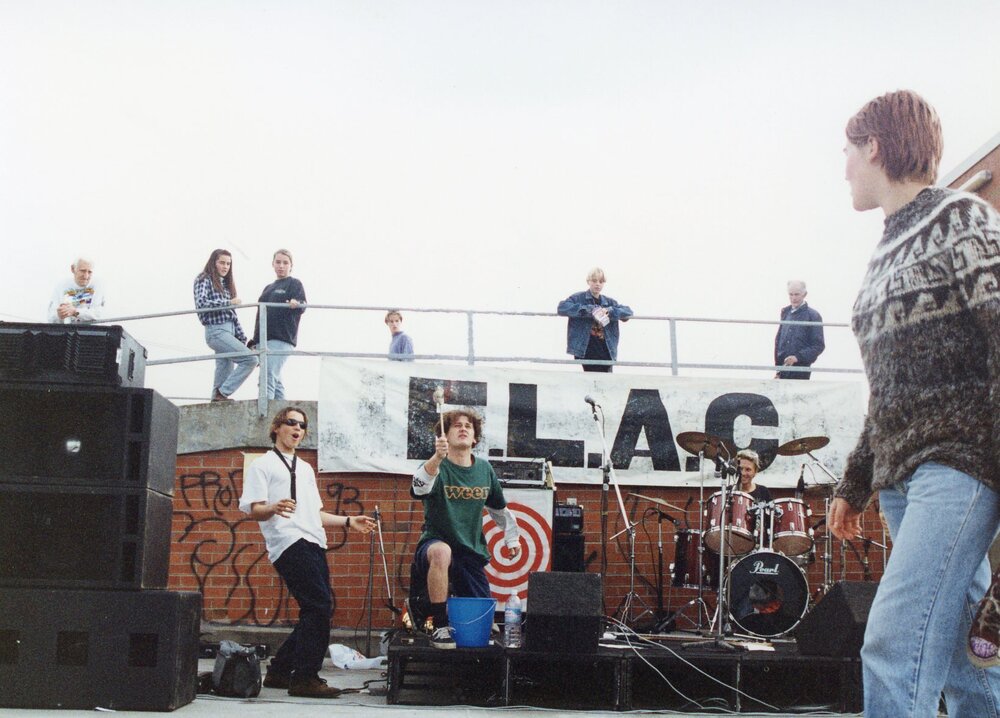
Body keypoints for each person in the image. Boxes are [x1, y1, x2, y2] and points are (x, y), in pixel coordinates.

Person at [828, 89, 1000, 717]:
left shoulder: (964, 219)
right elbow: (890, 389)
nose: (843, 166)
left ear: (874, 146)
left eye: (847, 150)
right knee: (965, 655)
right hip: (903, 481)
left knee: (894, 643)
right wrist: (855, 480)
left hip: (961, 466)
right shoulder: (883, 255)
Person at [239, 407, 376, 697]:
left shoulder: (304, 468)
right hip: (287, 541)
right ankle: (304, 678)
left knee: (316, 609)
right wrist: (273, 507)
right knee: (319, 607)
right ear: (277, 427)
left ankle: (279, 671)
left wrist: (349, 522)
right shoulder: (262, 465)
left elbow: (316, 513)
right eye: (291, 422)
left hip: (314, 540)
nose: (297, 429)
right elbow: (254, 510)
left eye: (302, 425)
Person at [408, 408, 521, 649]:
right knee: (442, 552)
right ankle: (439, 626)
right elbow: (418, 488)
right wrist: (436, 459)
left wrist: (511, 539)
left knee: (484, 622)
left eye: (468, 426)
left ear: (475, 438)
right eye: (456, 425)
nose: (462, 428)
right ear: (445, 436)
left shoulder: (484, 470)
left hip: (469, 550)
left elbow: (499, 509)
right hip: (435, 544)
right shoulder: (435, 466)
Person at [194, 249, 258, 401]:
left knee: (223, 373)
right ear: (213, 262)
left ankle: (216, 402)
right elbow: (201, 303)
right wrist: (228, 302)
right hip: (216, 330)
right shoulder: (204, 278)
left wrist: (242, 339)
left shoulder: (226, 285)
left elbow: (232, 317)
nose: (225, 267)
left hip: (228, 332)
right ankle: (223, 394)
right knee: (250, 360)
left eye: (228, 264)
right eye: (222, 262)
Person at [250, 249, 306, 400]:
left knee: (267, 375)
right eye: (278, 262)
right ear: (273, 264)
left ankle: (265, 414)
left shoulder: (294, 284)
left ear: (291, 265)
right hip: (265, 339)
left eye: (285, 263)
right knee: (276, 380)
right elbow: (259, 316)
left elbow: (303, 305)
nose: (281, 266)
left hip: (282, 339)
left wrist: (296, 303)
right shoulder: (268, 288)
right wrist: (255, 341)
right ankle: (284, 413)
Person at [557, 267, 633, 372]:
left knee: (605, 381)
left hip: (606, 348)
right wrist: (589, 310)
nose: (598, 284)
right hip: (586, 348)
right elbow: (562, 308)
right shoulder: (578, 298)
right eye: (594, 281)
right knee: (592, 379)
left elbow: (628, 312)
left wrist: (609, 311)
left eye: (601, 281)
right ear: (588, 281)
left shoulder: (609, 302)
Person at [773, 280, 825, 379]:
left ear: (805, 294)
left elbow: (818, 345)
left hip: (801, 370)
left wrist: (797, 357)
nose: (793, 298)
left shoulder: (813, 316)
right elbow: (779, 342)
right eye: (791, 294)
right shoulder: (785, 313)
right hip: (783, 370)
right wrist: (778, 370)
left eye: (797, 294)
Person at [47, 257, 106, 323]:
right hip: (66, 330)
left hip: (90, 331)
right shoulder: (61, 285)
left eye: (89, 272)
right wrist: (59, 315)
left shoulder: (97, 285)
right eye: (83, 271)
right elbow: (50, 317)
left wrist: (75, 312)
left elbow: (97, 314)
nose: (86, 276)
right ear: (73, 269)